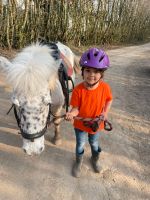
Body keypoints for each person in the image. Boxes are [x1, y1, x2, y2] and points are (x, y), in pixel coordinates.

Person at [65, 48, 113, 178]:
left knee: (94, 143)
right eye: (88, 70)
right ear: (82, 72)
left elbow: (109, 100)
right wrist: (72, 114)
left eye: (96, 71)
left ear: (102, 74)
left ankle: (95, 159)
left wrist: (105, 113)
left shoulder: (105, 88)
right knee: (80, 143)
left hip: (96, 124)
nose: (92, 74)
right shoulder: (78, 90)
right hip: (80, 125)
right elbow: (76, 109)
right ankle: (78, 162)